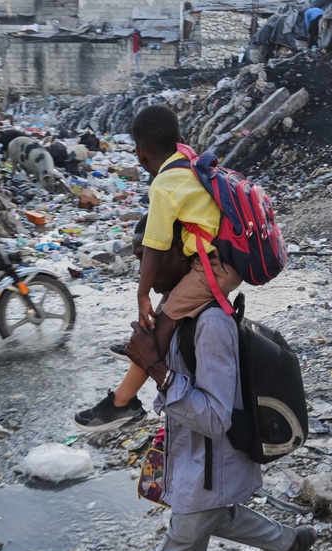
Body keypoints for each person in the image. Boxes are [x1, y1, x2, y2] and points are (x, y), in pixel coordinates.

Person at [123, 233, 316, 551]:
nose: (144, 273)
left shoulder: (211, 324)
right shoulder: (184, 314)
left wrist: (157, 371)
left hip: (210, 467)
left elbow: (214, 416)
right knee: (221, 518)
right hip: (201, 466)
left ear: (183, 256)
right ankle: (293, 542)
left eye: (149, 259)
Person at [74, 105, 242, 432]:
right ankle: (131, 374)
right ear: (179, 140)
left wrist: (142, 293)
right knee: (168, 309)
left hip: (218, 267)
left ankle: (124, 402)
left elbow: (156, 243)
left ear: (139, 154)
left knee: (164, 319)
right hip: (220, 259)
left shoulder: (165, 183)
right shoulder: (188, 161)